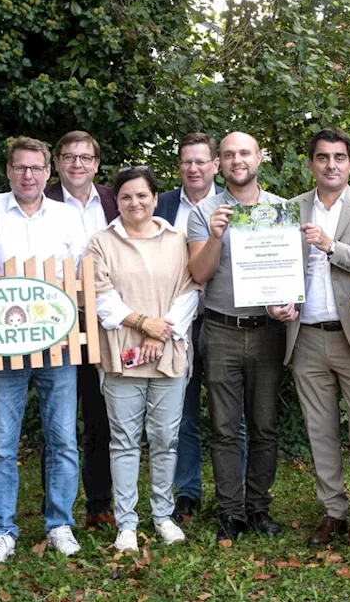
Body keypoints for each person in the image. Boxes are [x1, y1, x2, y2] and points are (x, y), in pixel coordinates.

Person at [0, 136, 87, 565]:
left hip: (59, 344)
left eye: (37, 168)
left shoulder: (68, 217)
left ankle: (59, 523)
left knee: (63, 438)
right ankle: (1, 531)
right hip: (1, 348)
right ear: (8, 170)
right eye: (21, 167)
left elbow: (85, 275)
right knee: (1, 442)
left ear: (49, 173)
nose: (29, 175)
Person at [268, 128, 350, 552]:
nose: (332, 165)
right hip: (305, 337)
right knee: (319, 430)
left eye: (340, 157)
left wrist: (331, 246)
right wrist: (275, 306)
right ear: (311, 164)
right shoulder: (290, 209)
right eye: (323, 157)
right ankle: (332, 510)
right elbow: (274, 271)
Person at [87, 166, 200, 553]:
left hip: (168, 352)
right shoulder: (101, 242)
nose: (134, 203)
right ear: (116, 201)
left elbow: (189, 291)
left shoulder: (176, 238)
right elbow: (103, 298)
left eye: (141, 195)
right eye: (125, 197)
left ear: (155, 197)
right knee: (123, 440)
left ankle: (163, 515)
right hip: (122, 354)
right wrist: (143, 325)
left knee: (167, 438)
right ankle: (127, 523)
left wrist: (161, 331)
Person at [187, 131, 287, 541]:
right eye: (228, 155)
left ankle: (259, 507)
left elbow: (291, 272)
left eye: (244, 153)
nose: (236, 160)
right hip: (222, 329)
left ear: (259, 157)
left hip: (267, 331)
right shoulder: (204, 210)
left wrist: (289, 303)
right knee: (225, 428)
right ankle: (230, 511)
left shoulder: (282, 210)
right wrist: (214, 236)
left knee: (265, 425)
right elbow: (198, 274)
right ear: (219, 164)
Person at [153, 131, 240, 524]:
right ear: (179, 166)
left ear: (215, 165)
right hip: (176, 325)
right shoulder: (160, 205)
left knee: (230, 414)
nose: (194, 168)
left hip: (223, 321)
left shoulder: (237, 203)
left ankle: (234, 493)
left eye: (201, 161)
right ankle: (186, 491)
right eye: (186, 161)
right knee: (182, 412)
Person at [42, 130, 118, 531]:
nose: (77, 164)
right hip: (54, 321)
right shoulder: (42, 198)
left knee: (99, 415)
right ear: (56, 163)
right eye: (69, 157)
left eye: (85, 157)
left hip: (101, 323)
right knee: (57, 418)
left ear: (96, 164)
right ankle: (55, 507)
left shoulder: (113, 200)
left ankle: (99, 503)